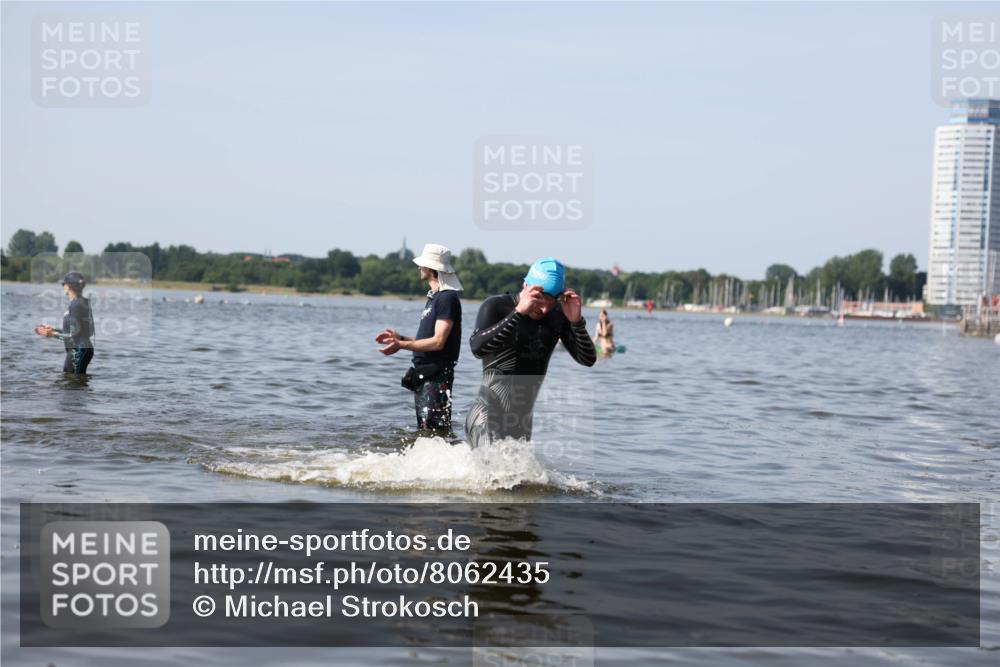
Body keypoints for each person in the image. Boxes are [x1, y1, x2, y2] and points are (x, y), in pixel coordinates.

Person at [465, 257, 596, 448]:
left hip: (521, 425)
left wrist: (576, 322)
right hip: (485, 418)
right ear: (525, 285)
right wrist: (518, 312)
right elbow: (477, 348)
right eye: (538, 299)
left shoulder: (558, 316)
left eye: (551, 302)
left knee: (520, 477)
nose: (543, 309)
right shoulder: (496, 306)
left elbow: (588, 360)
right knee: (495, 476)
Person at [375, 244, 462, 432]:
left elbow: (438, 342)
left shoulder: (447, 298)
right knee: (426, 431)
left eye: (422, 264)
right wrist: (401, 338)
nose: (419, 268)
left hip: (437, 376)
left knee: (434, 432)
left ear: (431, 269)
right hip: (426, 375)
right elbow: (428, 339)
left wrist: (401, 345)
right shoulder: (435, 298)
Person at [33, 271, 95, 375]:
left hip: (77, 351)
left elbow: (73, 336)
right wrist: (53, 329)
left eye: (63, 284)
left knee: (71, 385)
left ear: (68, 286)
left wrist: (52, 334)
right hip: (83, 350)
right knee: (75, 384)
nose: (63, 287)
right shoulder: (83, 302)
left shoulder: (75, 305)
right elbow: (84, 331)